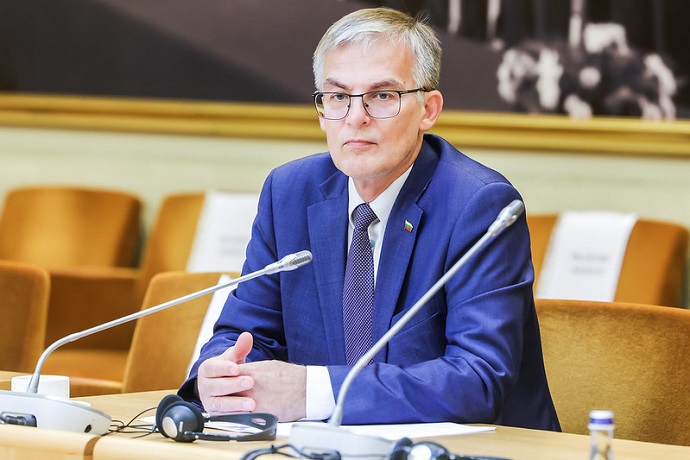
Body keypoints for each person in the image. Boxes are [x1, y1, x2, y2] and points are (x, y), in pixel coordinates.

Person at [179, 7, 560, 431]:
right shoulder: (289, 193)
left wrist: (312, 391)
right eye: (338, 97)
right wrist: (220, 376)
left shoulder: (479, 205)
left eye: (381, 96)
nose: (355, 117)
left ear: (428, 109)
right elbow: (244, 332)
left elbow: (478, 379)